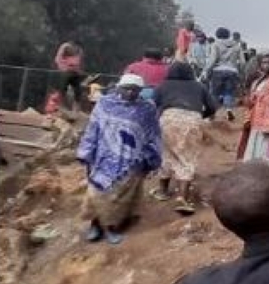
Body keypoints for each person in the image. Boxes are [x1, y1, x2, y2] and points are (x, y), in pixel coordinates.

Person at [76, 74, 162, 245]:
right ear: (118, 87)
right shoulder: (105, 104)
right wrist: (86, 153)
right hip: (104, 156)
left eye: (135, 90)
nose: (130, 92)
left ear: (140, 91)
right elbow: (93, 128)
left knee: (120, 196)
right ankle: (95, 224)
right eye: (126, 88)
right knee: (97, 191)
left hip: (131, 160)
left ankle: (111, 227)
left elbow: (153, 134)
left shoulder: (146, 109)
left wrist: (151, 158)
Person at [153, 62, 218, 214]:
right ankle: (182, 198)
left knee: (166, 154)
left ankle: (163, 192)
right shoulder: (199, 86)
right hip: (192, 120)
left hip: (168, 119)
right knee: (187, 158)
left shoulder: (163, 85)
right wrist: (200, 116)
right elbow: (212, 107)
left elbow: (152, 104)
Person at [203, 27, 245, 121]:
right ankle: (229, 110)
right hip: (232, 71)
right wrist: (240, 71)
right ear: (228, 35)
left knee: (214, 93)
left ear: (217, 35)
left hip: (218, 71)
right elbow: (242, 62)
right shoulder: (237, 46)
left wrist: (206, 70)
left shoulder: (215, 44)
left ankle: (211, 114)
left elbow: (213, 59)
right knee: (229, 92)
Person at [53, 41, 85, 110]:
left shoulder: (78, 52)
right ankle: (60, 106)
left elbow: (79, 62)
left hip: (75, 73)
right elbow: (58, 59)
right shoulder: (65, 50)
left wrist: (79, 70)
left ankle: (76, 108)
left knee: (78, 90)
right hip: (66, 73)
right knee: (63, 89)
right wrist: (63, 68)